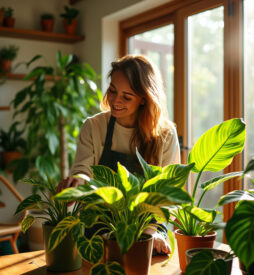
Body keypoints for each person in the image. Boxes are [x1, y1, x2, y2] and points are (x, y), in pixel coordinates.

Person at [56, 54, 180, 254]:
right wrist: (78, 183)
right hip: (100, 227)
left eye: (126, 97)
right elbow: (83, 170)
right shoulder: (94, 126)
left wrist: (150, 233)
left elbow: (167, 195)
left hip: (148, 230)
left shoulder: (165, 134)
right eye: (112, 91)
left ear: (143, 99)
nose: (115, 101)